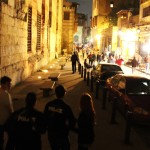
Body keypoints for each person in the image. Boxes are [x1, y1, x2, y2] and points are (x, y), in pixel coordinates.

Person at [44, 84, 76, 150]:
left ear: (55, 93)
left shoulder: (48, 105)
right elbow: (72, 122)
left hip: (52, 134)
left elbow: (44, 118)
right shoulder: (66, 107)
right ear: (64, 94)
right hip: (62, 135)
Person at [0, 76, 14, 150]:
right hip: (5, 122)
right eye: (8, 84)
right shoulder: (6, 95)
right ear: (3, 84)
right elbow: (10, 110)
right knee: (12, 136)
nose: (10, 85)